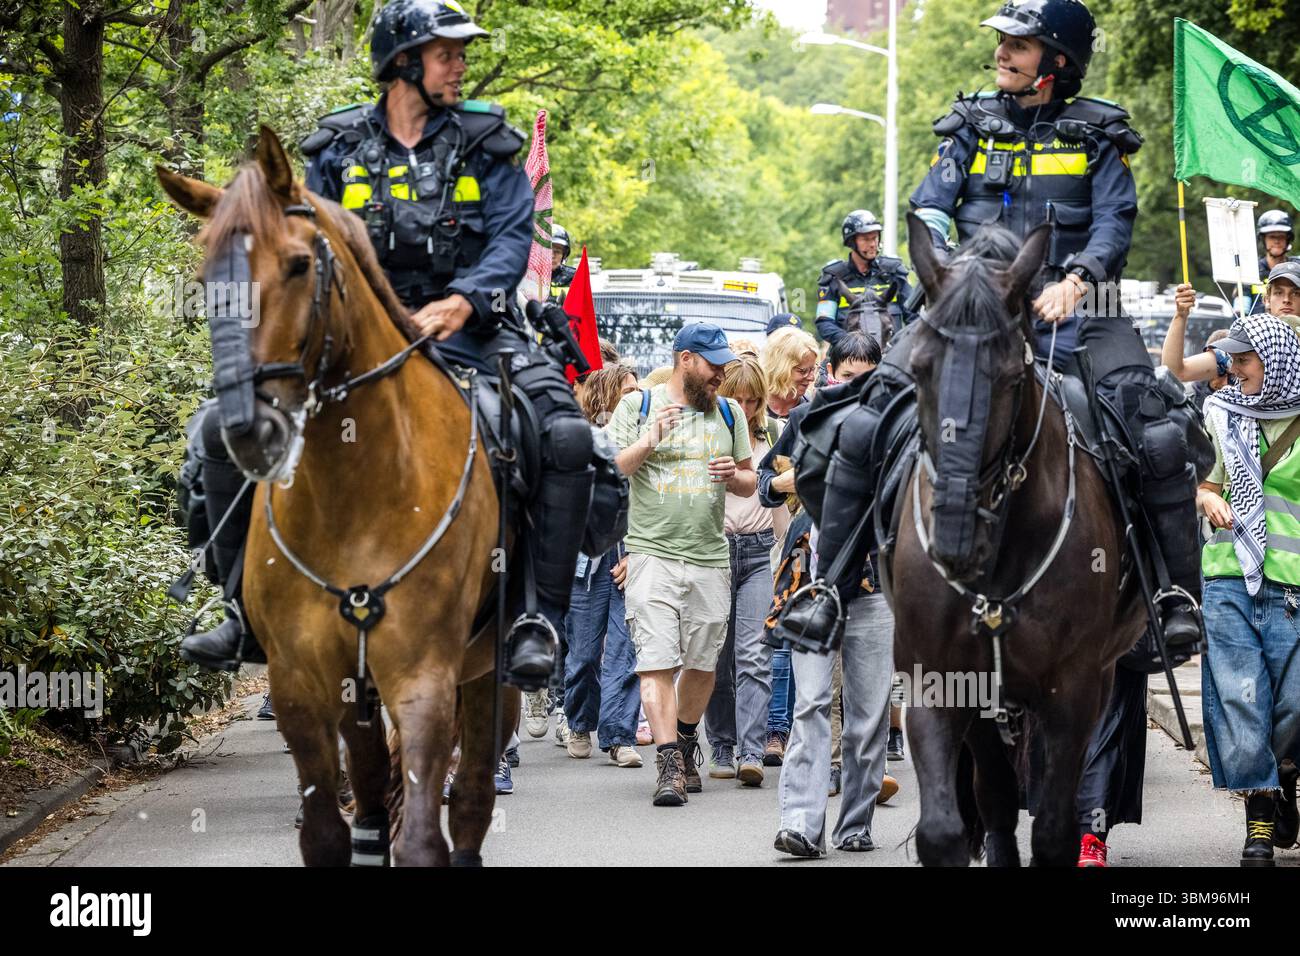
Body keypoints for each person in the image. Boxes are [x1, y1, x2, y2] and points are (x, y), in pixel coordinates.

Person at [179, 0, 605, 693]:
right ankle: (240, 611)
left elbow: (510, 235)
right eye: (446, 53)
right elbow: (303, 240)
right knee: (218, 428)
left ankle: (536, 618)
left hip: (473, 331)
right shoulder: (335, 150)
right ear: (403, 63)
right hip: (356, 338)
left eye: (460, 53)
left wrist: (462, 299)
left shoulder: (486, 141)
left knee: (564, 437)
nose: (460, 64)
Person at [784, 0, 1205, 659]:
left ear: (1057, 62)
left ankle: (1172, 598)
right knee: (864, 424)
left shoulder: (1099, 135)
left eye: (1020, 43)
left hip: (1076, 310)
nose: (1004, 51)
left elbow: (1114, 224)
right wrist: (952, 269)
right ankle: (830, 587)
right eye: (1002, 41)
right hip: (968, 309)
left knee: (1154, 435)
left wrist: (1080, 278)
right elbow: (930, 203)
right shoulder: (970, 125)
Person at [607, 323, 755, 806]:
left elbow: (752, 483)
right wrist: (650, 439)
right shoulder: (639, 405)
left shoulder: (729, 412)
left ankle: (687, 735)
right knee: (655, 662)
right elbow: (613, 468)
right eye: (713, 365)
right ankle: (670, 762)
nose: (720, 375)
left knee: (702, 663)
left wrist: (734, 476)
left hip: (711, 556)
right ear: (685, 360)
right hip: (652, 554)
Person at [764, 332, 897, 856]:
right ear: (829, 374)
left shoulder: (897, 427)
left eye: (867, 378)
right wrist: (793, 479)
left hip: (875, 584)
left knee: (867, 716)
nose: (856, 388)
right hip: (812, 584)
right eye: (847, 377)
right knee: (812, 703)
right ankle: (800, 823)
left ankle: (855, 821)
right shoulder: (807, 418)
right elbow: (763, 482)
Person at [1197, 314, 1300, 866]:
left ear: (1277, 361)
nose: (1234, 371)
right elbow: (1206, 482)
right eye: (1231, 361)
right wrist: (1207, 498)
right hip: (1229, 577)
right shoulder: (1223, 414)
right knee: (1242, 699)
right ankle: (1258, 821)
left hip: (1295, 589)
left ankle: (1282, 774)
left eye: (1244, 360)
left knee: (1295, 705)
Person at [704, 355, 788, 784]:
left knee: (755, 655)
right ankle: (721, 742)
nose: (744, 407)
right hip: (715, 551)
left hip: (758, 553)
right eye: (736, 399)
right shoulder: (705, 432)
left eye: (753, 401)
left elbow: (782, 501)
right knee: (716, 656)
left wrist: (785, 553)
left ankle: (751, 750)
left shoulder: (773, 434)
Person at [562, 364, 644, 768]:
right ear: (605, 395)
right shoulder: (581, 438)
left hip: (630, 552)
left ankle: (619, 736)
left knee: (625, 652)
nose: (635, 394)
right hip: (586, 557)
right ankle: (578, 723)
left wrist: (635, 553)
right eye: (626, 389)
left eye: (637, 389)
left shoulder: (645, 438)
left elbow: (650, 501)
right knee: (582, 651)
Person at [758, 325, 820, 764]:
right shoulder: (751, 408)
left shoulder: (816, 410)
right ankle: (764, 731)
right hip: (756, 537)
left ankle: (792, 730)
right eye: (801, 370)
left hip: (802, 536)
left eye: (813, 370)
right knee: (769, 641)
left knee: (798, 635)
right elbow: (763, 482)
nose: (808, 378)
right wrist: (782, 481)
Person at [1165, 262, 1300, 383]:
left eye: (1296, 293)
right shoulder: (1243, 344)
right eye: (1278, 292)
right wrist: (1180, 315)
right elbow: (1176, 372)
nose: (1286, 299)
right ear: (1266, 300)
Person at [816, 209, 915, 347]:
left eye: (874, 238)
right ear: (852, 242)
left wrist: (899, 345)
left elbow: (914, 316)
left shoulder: (894, 273)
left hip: (892, 357)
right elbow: (824, 323)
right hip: (848, 356)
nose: (873, 244)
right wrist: (853, 344)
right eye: (866, 239)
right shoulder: (833, 277)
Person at [1249, 210, 1299, 314]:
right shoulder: (1251, 270)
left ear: (1288, 239)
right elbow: (1241, 310)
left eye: (1281, 236)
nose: (1276, 241)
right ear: (1263, 239)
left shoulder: (1298, 267)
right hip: (1259, 328)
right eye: (1272, 236)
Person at [550, 224, 577, 305]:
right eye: (548, 250)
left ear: (564, 255)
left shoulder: (574, 278)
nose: (552, 256)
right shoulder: (527, 277)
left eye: (557, 252)